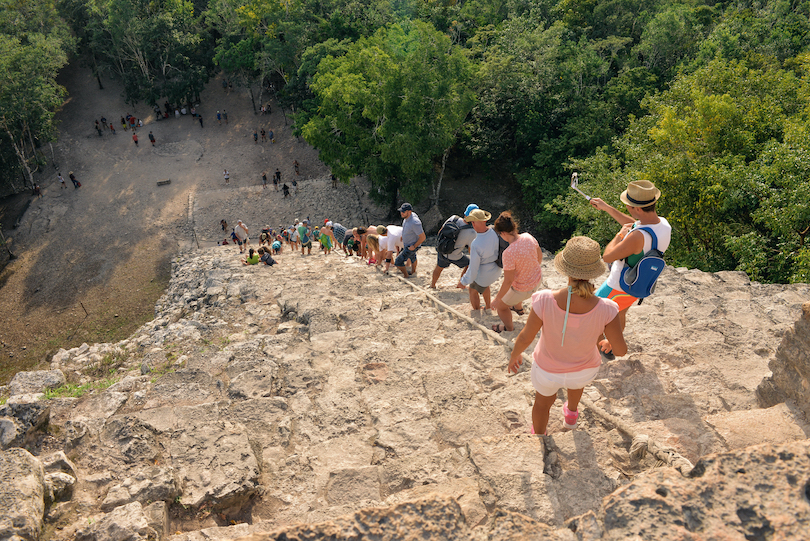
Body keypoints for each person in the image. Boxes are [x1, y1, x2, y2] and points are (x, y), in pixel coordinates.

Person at [508, 236, 627, 435]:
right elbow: (621, 351)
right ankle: (571, 416)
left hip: (547, 370)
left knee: (542, 404)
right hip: (583, 371)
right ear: (593, 272)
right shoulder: (607, 308)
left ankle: (540, 437)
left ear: (566, 269)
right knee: (575, 383)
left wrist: (515, 355)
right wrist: (608, 342)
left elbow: (525, 337)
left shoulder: (544, 299)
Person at [589, 180, 671, 357]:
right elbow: (636, 224)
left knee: (592, 316)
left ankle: (600, 349)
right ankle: (611, 344)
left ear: (638, 209)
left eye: (629, 206)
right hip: (637, 284)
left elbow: (607, 256)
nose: (627, 208)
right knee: (619, 313)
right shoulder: (663, 225)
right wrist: (607, 208)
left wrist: (619, 235)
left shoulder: (636, 237)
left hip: (617, 285)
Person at [491, 211, 544, 332]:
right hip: (538, 280)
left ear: (503, 233)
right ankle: (518, 308)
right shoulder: (528, 236)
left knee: (501, 307)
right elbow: (539, 257)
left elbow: (508, 281)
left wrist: (497, 299)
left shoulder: (508, 253)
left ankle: (508, 328)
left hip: (523, 290)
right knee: (518, 281)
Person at [458, 209, 501, 311]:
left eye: (473, 221)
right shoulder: (493, 231)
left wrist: (463, 282)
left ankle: (477, 310)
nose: (472, 224)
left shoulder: (476, 244)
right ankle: (488, 306)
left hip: (485, 273)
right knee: (485, 285)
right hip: (496, 269)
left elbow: (473, 269)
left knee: (473, 289)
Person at [430, 211, 477, 289]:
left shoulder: (453, 218)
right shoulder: (472, 232)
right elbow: (470, 250)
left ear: (465, 214)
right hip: (456, 256)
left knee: (439, 267)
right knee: (469, 264)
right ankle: (461, 285)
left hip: (443, 250)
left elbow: (440, 232)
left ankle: (432, 285)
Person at [394, 203, 426, 278]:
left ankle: (406, 275)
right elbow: (407, 228)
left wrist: (414, 246)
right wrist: (403, 235)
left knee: (398, 262)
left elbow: (423, 237)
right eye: (401, 211)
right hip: (408, 243)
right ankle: (413, 271)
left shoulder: (415, 222)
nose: (401, 213)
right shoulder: (407, 217)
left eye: (403, 212)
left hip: (411, 245)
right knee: (412, 257)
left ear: (409, 212)